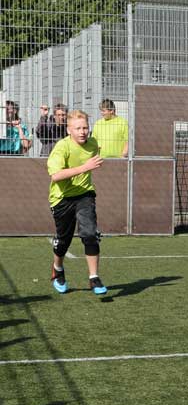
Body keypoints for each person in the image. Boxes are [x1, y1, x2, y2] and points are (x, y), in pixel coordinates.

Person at [46, 110, 107, 295]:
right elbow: (56, 175)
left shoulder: (93, 144)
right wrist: (84, 167)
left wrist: (87, 169)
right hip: (61, 198)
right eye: (78, 128)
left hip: (85, 195)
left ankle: (94, 278)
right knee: (63, 240)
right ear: (69, 130)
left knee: (89, 234)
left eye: (85, 127)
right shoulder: (61, 147)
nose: (82, 132)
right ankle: (58, 269)